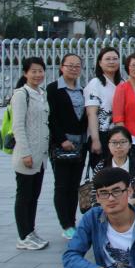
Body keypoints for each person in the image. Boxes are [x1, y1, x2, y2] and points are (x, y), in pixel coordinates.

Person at [47, 53, 88, 240]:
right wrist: (61, 139)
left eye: (77, 66)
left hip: (80, 145)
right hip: (61, 144)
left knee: (74, 185)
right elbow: (51, 117)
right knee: (62, 184)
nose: (73, 69)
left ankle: (72, 221)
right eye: (69, 65)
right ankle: (66, 224)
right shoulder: (53, 89)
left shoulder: (82, 90)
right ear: (61, 67)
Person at [12, 56, 51, 250]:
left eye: (40, 71)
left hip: (40, 156)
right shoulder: (21, 94)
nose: (37, 74)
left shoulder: (42, 93)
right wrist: (25, 153)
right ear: (25, 73)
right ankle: (23, 235)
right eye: (33, 71)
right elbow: (18, 126)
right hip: (27, 155)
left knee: (34, 196)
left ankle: (31, 231)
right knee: (24, 196)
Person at [89, 126, 135, 209]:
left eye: (123, 142)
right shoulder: (101, 167)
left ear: (130, 144)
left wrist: (130, 202)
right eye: (114, 142)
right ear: (108, 145)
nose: (118, 146)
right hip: (106, 211)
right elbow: (94, 196)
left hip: (134, 210)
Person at [84, 47, 122, 166]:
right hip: (102, 135)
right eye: (108, 59)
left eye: (115, 59)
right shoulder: (95, 83)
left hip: (119, 135)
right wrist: (95, 140)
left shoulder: (123, 83)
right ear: (100, 63)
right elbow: (92, 113)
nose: (112, 62)